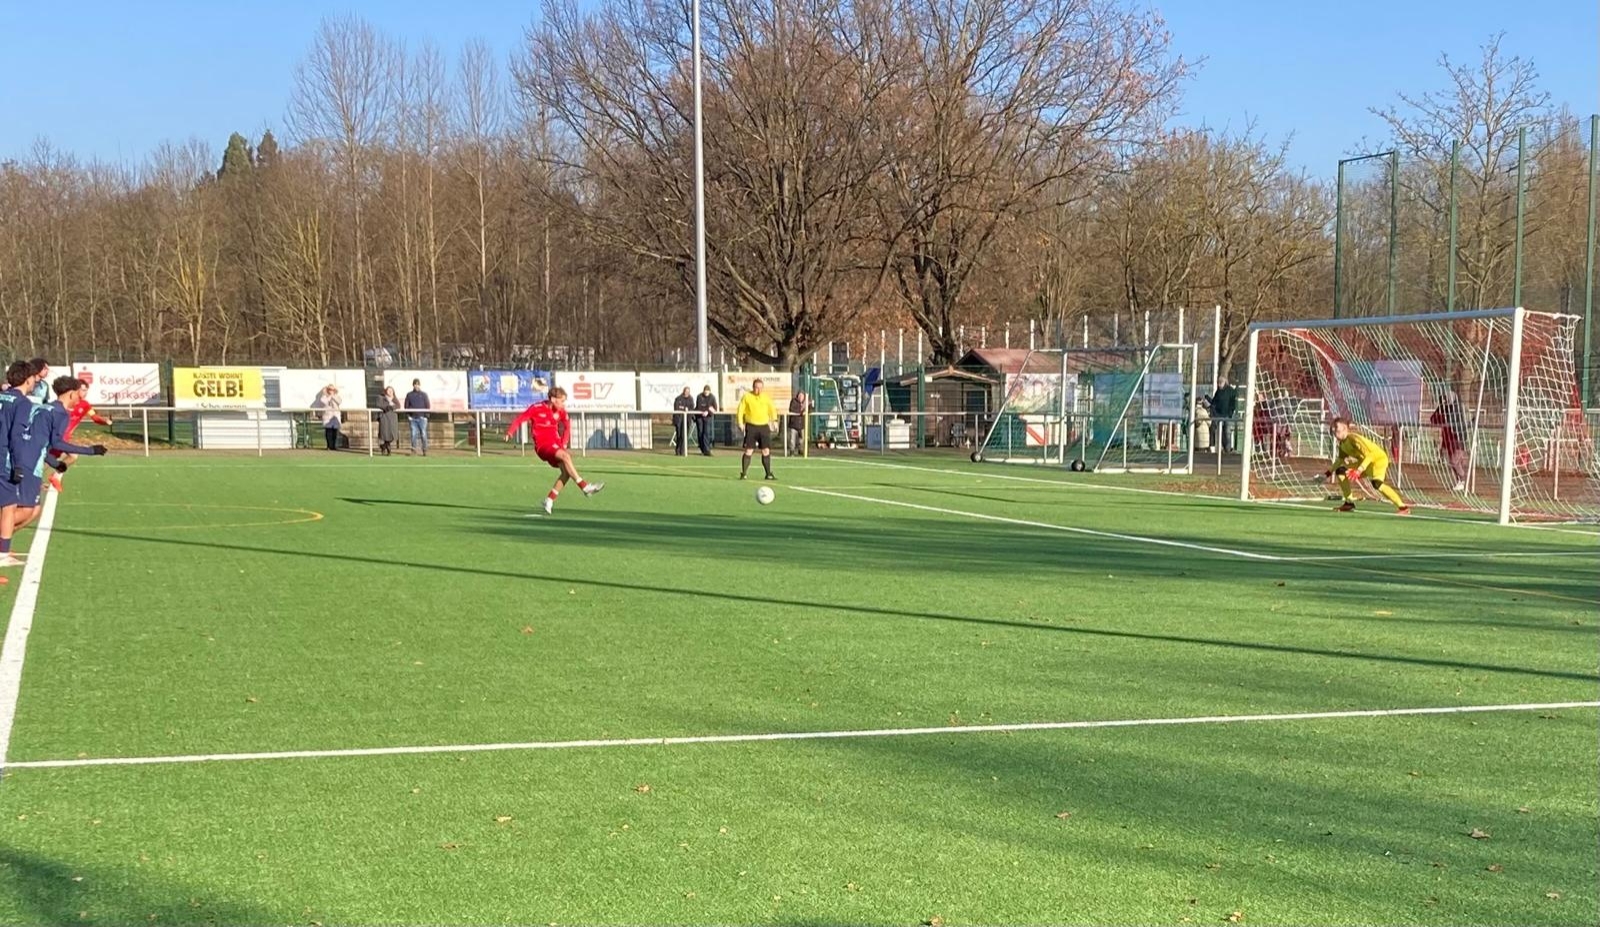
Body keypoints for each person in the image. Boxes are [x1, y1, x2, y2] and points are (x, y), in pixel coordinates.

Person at [505, 386, 604, 516]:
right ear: (552, 399)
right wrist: (510, 432)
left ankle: (549, 499)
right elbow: (520, 419)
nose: (563, 404)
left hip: (556, 445)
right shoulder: (536, 408)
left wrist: (563, 444)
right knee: (566, 457)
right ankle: (584, 487)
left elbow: (567, 427)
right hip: (543, 446)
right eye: (561, 401)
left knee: (566, 472)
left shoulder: (561, 412)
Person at [0, 361, 41, 567]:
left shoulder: (2, 396)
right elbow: (16, 435)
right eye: (33, 377)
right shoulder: (23, 403)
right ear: (27, 379)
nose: (35, 381)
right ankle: (2, 554)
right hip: (4, 458)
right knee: (9, 506)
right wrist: (18, 464)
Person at [1325, 417, 1410, 515]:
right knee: (1341, 471)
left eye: (1336, 428)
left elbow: (1370, 455)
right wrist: (1327, 474)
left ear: (1345, 429)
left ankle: (1403, 507)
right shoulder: (1342, 444)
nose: (1334, 431)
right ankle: (1349, 503)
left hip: (1378, 460)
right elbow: (1340, 460)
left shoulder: (1354, 439)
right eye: (1333, 429)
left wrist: (1359, 470)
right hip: (1365, 462)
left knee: (1377, 484)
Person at [47, 377, 111, 492]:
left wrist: (104, 421)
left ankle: (55, 476)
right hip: (55, 437)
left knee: (71, 456)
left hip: (64, 439)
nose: (84, 392)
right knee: (46, 459)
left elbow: (94, 416)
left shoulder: (85, 405)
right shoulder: (64, 403)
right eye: (82, 390)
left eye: (86, 390)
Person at [736, 378, 778, 481]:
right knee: (749, 450)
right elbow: (740, 410)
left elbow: (772, 409)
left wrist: (774, 420)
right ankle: (744, 473)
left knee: (766, 450)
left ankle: (768, 474)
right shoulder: (747, 397)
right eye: (756, 387)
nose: (758, 390)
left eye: (760, 388)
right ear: (753, 387)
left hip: (764, 427)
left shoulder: (766, 398)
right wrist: (740, 422)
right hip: (751, 427)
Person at [1430, 389, 1469, 492]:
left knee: (1454, 460)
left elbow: (1454, 422)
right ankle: (1459, 481)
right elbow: (1433, 419)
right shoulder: (1443, 408)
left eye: (1447, 399)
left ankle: (1463, 480)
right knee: (1453, 462)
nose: (1445, 401)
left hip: (1458, 439)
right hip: (1449, 440)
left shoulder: (1457, 409)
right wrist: (1441, 406)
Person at [1209, 377, 1238, 452]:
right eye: (1218, 383)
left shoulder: (1230, 391)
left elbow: (1233, 403)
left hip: (1226, 415)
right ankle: (1219, 447)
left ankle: (1227, 448)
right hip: (1218, 415)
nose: (1219, 385)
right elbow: (1214, 402)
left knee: (1227, 432)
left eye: (1220, 383)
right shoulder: (1218, 391)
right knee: (1217, 431)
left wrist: (1230, 413)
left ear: (1224, 382)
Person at [404, 379, 430, 455]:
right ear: (413, 385)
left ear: (419, 385)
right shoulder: (409, 395)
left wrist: (426, 416)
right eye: (415, 384)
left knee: (423, 434)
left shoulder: (424, 394)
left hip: (422, 418)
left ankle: (424, 450)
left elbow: (427, 405)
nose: (416, 386)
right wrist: (408, 416)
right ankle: (413, 450)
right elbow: (406, 406)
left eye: (418, 384)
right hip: (413, 419)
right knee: (413, 434)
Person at [694, 384, 719, 456]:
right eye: (705, 392)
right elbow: (699, 407)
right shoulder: (699, 396)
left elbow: (715, 408)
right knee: (700, 433)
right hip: (699, 417)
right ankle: (702, 449)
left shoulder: (712, 397)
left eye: (707, 392)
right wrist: (705, 410)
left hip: (708, 417)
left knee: (706, 433)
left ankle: (707, 450)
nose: (706, 393)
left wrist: (707, 411)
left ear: (709, 391)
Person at [376, 386, 400, 456]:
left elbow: (398, 405)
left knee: (393, 434)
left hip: (393, 418)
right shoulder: (381, 397)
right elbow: (379, 405)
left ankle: (383, 446)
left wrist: (392, 406)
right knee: (386, 433)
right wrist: (388, 406)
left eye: (391, 390)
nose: (390, 392)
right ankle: (389, 449)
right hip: (385, 417)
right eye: (389, 390)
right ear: (386, 391)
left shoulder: (394, 398)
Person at [671, 387, 694, 457]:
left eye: (688, 392)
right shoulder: (678, 399)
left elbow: (691, 409)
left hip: (687, 420)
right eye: (686, 391)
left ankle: (683, 451)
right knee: (679, 435)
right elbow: (676, 408)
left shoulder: (691, 399)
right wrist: (684, 409)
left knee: (684, 436)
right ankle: (678, 450)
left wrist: (687, 410)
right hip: (679, 420)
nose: (687, 393)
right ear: (683, 391)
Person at [318, 385, 342, 451]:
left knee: (334, 432)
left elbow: (339, 402)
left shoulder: (337, 396)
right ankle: (329, 446)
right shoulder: (324, 397)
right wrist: (329, 396)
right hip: (327, 416)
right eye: (329, 389)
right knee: (328, 431)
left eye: (332, 390)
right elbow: (324, 402)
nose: (331, 391)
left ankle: (333, 446)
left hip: (335, 416)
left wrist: (333, 396)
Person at [787, 391, 809, 456]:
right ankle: (792, 451)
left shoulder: (805, 403)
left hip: (801, 425)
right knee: (792, 440)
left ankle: (800, 450)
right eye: (800, 396)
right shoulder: (793, 401)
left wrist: (809, 405)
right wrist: (801, 410)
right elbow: (792, 409)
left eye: (802, 396)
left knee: (801, 439)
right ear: (798, 396)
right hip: (793, 424)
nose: (801, 397)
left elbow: (809, 410)